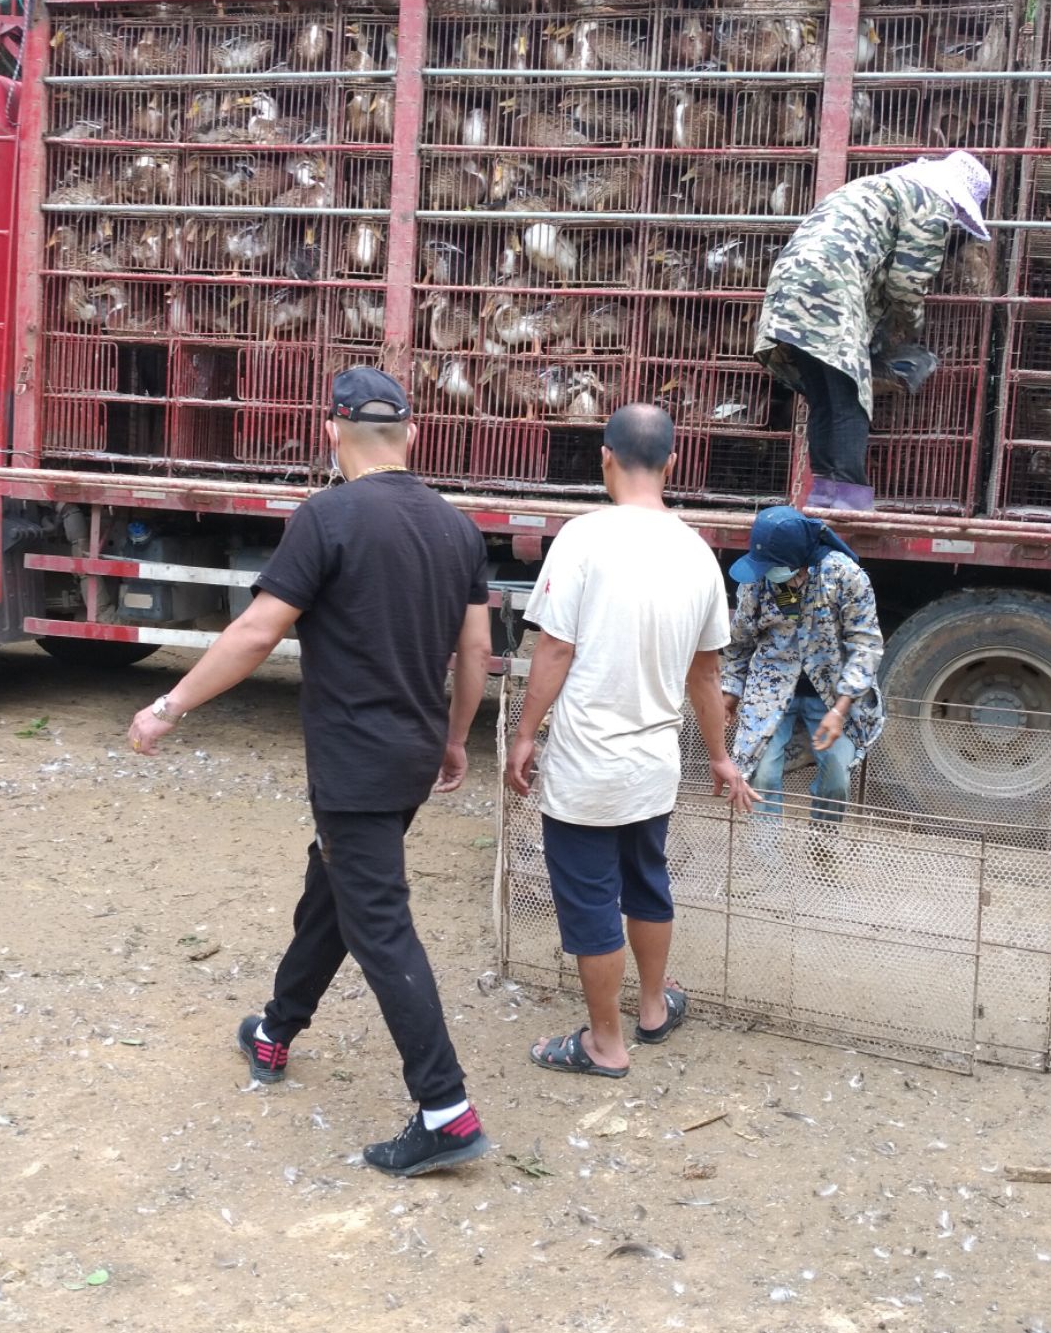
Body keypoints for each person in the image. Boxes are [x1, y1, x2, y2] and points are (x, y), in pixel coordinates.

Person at [126, 368, 494, 1176]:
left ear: (333, 431)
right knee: (334, 891)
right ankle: (276, 1029)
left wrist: (169, 706)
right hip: (406, 758)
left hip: (354, 763)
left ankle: (446, 1109)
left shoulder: (325, 517)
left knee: (379, 921)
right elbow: (476, 652)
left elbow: (258, 632)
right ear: (413, 433)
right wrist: (458, 737)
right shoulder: (457, 529)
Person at [505, 404, 757, 1078]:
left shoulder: (583, 539)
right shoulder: (699, 552)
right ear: (673, 464)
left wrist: (524, 735)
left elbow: (555, 650)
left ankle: (605, 1044)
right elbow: (707, 674)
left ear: (604, 457)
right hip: (654, 764)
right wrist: (722, 756)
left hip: (588, 766)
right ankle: (651, 1007)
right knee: (647, 883)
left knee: (590, 899)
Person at [753, 150, 992, 511]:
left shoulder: (879, 186)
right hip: (831, 286)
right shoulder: (932, 202)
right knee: (851, 393)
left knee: (823, 396)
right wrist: (910, 328)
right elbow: (906, 285)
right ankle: (849, 497)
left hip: (791, 283)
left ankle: (823, 494)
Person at [721, 505, 884, 842]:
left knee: (836, 776)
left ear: (798, 561)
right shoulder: (758, 581)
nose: (767, 573)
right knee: (763, 775)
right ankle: (768, 870)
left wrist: (840, 710)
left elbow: (865, 646)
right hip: (771, 690)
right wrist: (730, 693)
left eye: (774, 567)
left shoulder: (844, 576)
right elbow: (739, 644)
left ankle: (822, 848)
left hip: (831, 694)